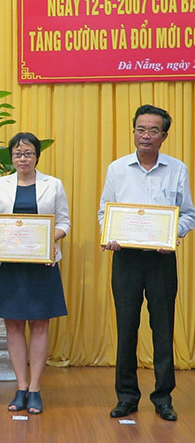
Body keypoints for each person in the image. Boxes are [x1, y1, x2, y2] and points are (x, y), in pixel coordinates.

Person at [99, 105, 195, 422]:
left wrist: (173, 235)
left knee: (162, 328)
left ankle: (163, 397)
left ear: (164, 135)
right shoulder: (117, 169)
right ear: (134, 131)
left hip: (161, 259)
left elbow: (188, 215)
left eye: (154, 130)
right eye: (141, 129)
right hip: (125, 257)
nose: (146, 135)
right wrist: (109, 234)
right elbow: (105, 212)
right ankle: (126, 396)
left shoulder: (177, 169)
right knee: (127, 327)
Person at [0, 133, 70, 415]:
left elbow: (65, 223)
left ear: (37, 157)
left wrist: (47, 240)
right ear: (11, 157)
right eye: (18, 154)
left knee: (40, 325)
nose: (23, 158)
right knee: (14, 325)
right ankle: (20, 387)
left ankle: (35, 389)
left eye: (29, 153)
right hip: (9, 264)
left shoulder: (53, 185)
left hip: (41, 264)